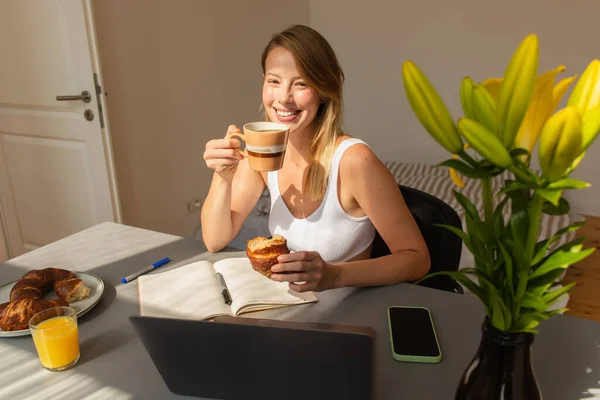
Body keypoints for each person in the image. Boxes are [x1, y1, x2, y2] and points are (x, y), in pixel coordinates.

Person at [201, 25, 430, 292]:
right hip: (288, 307)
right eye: (274, 81)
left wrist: (336, 276)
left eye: (301, 84)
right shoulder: (263, 149)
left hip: (346, 312)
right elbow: (214, 240)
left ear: (324, 90)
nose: (284, 98)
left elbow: (416, 259)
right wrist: (222, 177)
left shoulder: (355, 161)